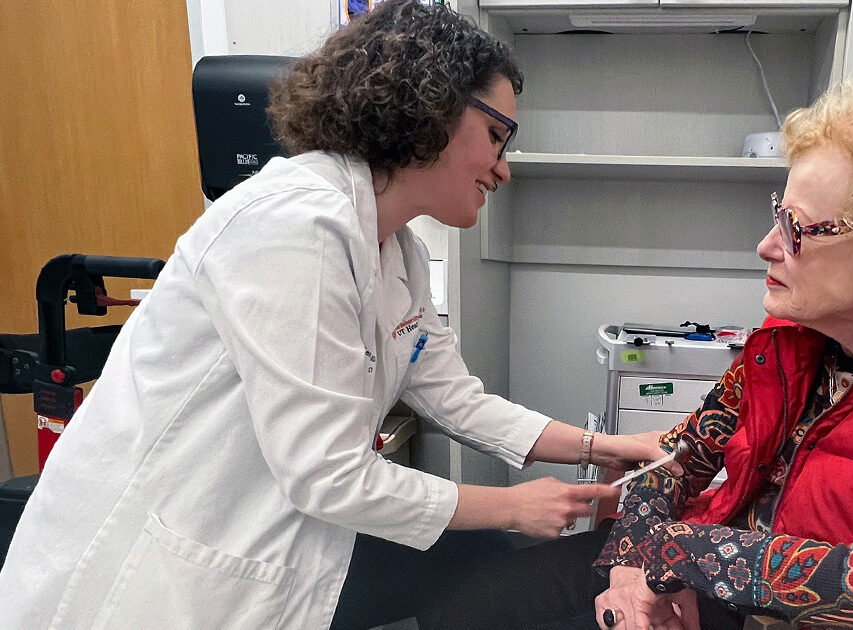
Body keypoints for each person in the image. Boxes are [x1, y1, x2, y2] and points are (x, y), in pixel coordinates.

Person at [0, 3, 665, 628]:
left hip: (271, 525)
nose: (503, 168)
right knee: (483, 549)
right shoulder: (299, 224)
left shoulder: (392, 243)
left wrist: (605, 448)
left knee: (478, 555)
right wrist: (517, 505)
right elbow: (329, 474)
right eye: (497, 136)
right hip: (165, 557)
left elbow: (453, 398)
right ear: (431, 109)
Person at [431, 82, 853, 630]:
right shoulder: (791, 340)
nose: (766, 246)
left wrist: (675, 561)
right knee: (459, 609)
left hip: (807, 615)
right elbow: (676, 462)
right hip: (721, 580)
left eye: (796, 228)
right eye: (778, 214)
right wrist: (633, 571)